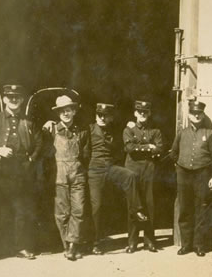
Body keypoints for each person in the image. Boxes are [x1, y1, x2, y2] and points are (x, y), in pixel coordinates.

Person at [0, 84, 42, 263]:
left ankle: (20, 247)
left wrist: (31, 159)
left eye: (17, 97)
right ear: (4, 99)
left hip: (20, 172)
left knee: (21, 211)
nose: (14, 100)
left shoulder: (29, 122)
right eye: (10, 97)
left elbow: (39, 144)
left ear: (22, 100)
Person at [87, 103, 147, 255]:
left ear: (110, 117)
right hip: (94, 170)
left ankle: (137, 210)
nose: (101, 117)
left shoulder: (114, 129)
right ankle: (95, 243)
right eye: (99, 114)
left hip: (110, 167)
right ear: (95, 115)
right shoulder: (88, 129)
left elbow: (128, 130)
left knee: (130, 176)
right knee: (97, 207)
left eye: (105, 115)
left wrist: (132, 125)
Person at [44, 95, 90, 261]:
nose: (66, 113)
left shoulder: (82, 131)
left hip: (77, 175)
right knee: (62, 213)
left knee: (78, 210)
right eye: (62, 111)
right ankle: (69, 246)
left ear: (74, 111)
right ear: (58, 114)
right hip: (59, 175)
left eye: (69, 110)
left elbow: (86, 154)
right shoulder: (51, 130)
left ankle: (72, 244)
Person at [171, 100, 212, 257]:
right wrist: (179, 167)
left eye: (199, 113)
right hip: (184, 174)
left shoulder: (210, 134)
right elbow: (174, 153)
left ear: (203, 115)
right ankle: (186, 244)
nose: (196, 116)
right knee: (185, 208)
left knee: (201, 209)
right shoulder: (182, 133)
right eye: (193, 113)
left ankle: (199, 245)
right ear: (189, 115)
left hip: (202, 175)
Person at [123, 100, 163, 253]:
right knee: (133, 205)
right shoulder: (128, 129)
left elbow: (159, 148)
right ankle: (132, 241)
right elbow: (129, 148)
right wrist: (148, 147)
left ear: (149, 113)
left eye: (145, 112)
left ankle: (149, 241)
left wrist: (140, 146)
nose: (142, 114)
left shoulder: (155, 131)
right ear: (135, 113)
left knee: (149, 205)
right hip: (132, 170)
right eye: (140, 112)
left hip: (148, 170)